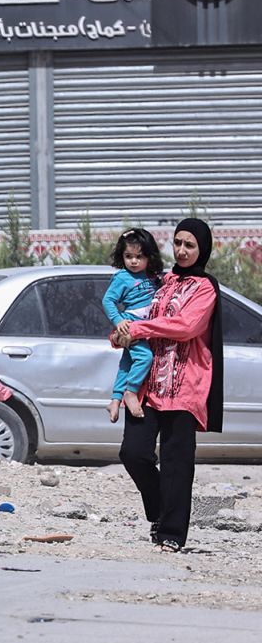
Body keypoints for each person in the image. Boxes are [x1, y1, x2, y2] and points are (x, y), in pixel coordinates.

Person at [115, 218, 223, 553]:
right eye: (178, 243)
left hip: (185, 387)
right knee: (133, 453)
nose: (182, 250)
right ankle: (161, 508)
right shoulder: (160, 281)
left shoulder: (206, 288)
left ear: (202, 248)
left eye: (190, 245)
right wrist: (121, 333)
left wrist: (142, 329)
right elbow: (136, 314)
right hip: (149, 386)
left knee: (178, 464)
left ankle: (172, 532)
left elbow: (186, 326)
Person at [104, 228, 163, 424]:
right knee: (145, 357)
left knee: (127, 363)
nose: (134, 261)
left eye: (139, 256)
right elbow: (108, 301)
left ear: (149, 256)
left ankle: (115, 400)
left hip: (144, 326)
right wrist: (118, 321)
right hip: (131, 325)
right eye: (128, 256)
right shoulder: (122, 277)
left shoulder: (152, 276)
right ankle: (131, 392)